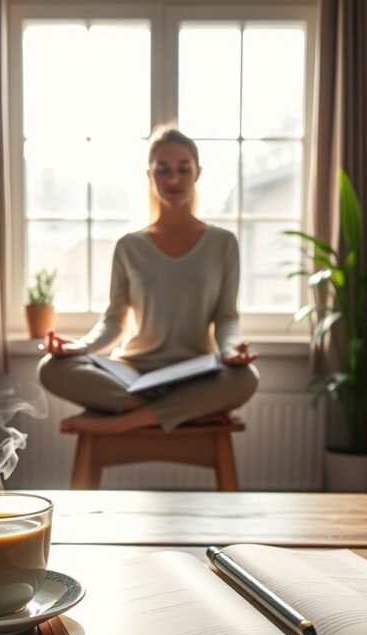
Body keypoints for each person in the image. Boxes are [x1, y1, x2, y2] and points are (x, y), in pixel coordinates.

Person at [39, 124, 259, 434]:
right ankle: (186, 411)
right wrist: (82, 347)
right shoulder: (130, 246)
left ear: (197, 173)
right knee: (51, 368)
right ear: (149, 175)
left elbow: (226, 317)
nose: (173, 179)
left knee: (245, 377)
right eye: (163, 169)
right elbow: (114, 321)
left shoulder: (222, 244)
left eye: (183, 169)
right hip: (134, 371)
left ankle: (126, 421)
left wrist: (229, 352)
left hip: (194, 371)